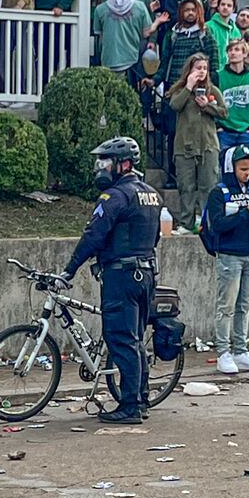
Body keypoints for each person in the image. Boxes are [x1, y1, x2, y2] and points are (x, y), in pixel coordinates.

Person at [57, 136, 161, 424]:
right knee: (136, 340)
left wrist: (69, 270)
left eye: (105, 162)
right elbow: (155, 237)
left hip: (122, 275)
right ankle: (141, 399)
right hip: (146, 272)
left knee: (121, 340)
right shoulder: (151, 193)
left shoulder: (115, 196)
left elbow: (93, 235)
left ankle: (129, 407)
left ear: (124, 164)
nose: (100, 167)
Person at [201, 144, 249, 376]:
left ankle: (241, 350)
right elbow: (218, 225)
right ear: (231, 168)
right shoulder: (218, 193)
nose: (247, 173)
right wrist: (245, 212)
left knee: (245, 305)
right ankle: (224, 351)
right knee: (226, 306)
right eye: (242, 169)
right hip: (230, 256)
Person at [167, 53, 226, 229]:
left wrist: (206, 106)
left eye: (205, 68)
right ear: (190, 70)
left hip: (208, 145)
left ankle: (206, 222)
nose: (202, 72)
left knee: (208, 185)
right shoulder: (180, 89)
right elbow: (174, 105)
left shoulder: (213, 90)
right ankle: (186, 223)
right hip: (184, 146)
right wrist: (189, 86)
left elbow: (224, 113)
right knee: (186, 186)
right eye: (198, 68)